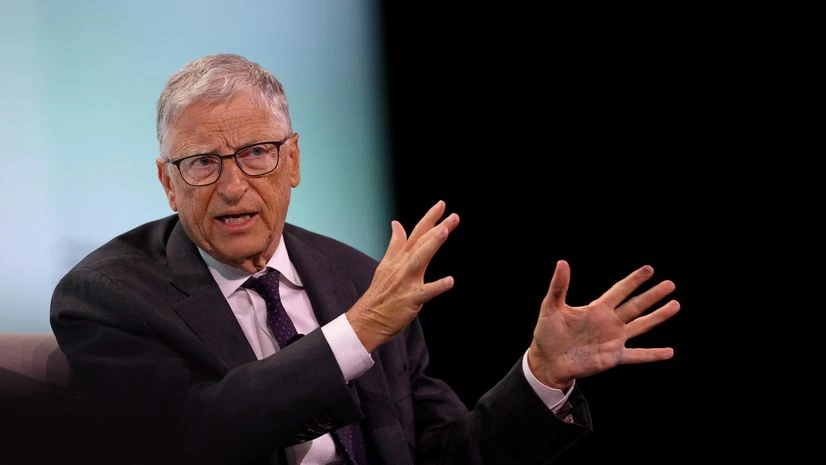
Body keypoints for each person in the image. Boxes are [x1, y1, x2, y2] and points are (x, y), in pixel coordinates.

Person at [50, 53, 680, 465]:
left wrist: (541, 375)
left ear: (293, 160)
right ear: (168, 181)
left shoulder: (354, 277)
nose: (233, 185)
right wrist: (358, 332)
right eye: (202, 163)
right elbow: (190, 439)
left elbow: (446, 453)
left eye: (256, 153)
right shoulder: (108, 295)